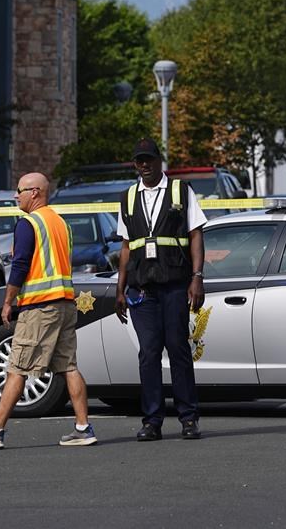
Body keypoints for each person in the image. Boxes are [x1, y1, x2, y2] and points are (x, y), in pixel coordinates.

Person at [0, 172, 96, 448]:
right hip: (65, 303)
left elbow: (21, 265)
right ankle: (83, 428)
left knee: (17, 367)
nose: (15, 195)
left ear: (35, 192)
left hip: (40, 306)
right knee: (68, 366)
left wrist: (8, 301)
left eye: (20, 190)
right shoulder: (60, 222)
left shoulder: (28, 223)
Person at [115, 138, 207, 441]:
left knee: (179, 350)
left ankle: (188, 418)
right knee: (148, 354)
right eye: (139, 161)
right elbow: (126, 247)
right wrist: (120, 288)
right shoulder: (128, 198)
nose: (144, 166)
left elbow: (195, 235)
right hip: (143, 289)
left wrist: (197, 277)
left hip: (175, 285)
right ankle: (152, 421)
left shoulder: (180, 191)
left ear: (159, 161)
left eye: (149, 160)